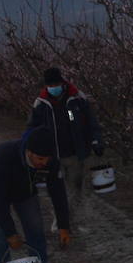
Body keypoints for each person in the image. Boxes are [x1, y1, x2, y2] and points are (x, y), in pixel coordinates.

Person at [0, 126, 72, 263]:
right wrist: (11, 233)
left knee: (36, 228)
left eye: (47, 159)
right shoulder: (4, 157)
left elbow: (58, 193)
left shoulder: (50, 161)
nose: (44, 163)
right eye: (40, 158)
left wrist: (63, 226)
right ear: (29, 152)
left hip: (25, 191)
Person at [26, 67, 103, 213]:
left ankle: (74, 214)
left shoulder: (77, 98)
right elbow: (31, 128)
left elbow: (91, 121)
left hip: (75, 152)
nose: (53, 88)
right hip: (53, 154)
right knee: (56, 188)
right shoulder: (41, 103)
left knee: (75, 185)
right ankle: (61, 217)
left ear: (62, 83)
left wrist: (96, 140)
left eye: (56, 85)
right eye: (50, 86)